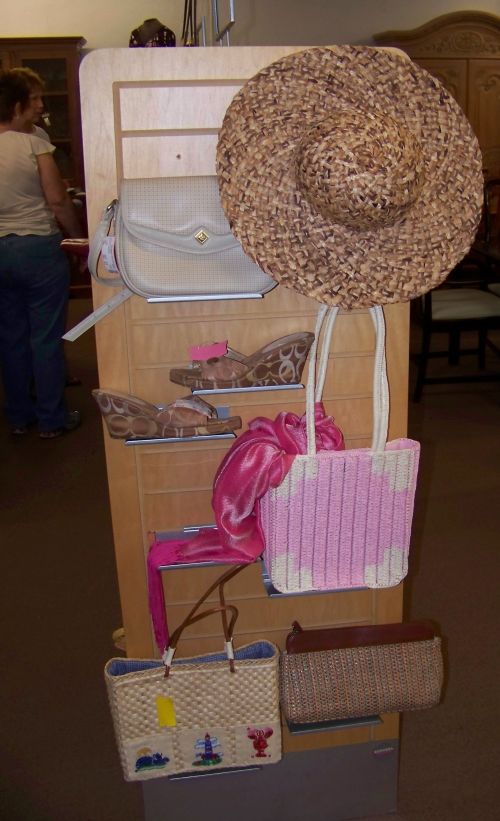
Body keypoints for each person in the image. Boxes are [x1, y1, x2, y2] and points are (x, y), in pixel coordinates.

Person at [0, 70, 82, 438]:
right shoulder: (34, 145)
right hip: (37, 250)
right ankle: (51, 419)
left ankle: (19, 417)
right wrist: (79, 239)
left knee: (10, 337)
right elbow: (58, 200)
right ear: (16, 106)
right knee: (45, 337)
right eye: (33, 100)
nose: (39, 105)